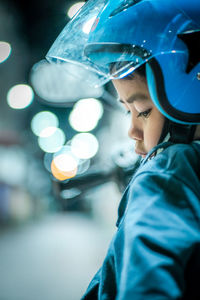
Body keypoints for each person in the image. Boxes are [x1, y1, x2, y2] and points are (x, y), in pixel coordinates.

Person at [46, 0, 200, 298]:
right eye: (127, 111)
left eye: (142, 110)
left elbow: (145, 283)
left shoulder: (166, 173)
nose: (132, 131)